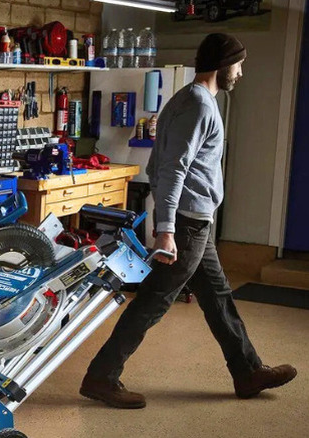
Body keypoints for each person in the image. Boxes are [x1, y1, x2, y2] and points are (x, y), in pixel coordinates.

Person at [79, 33, 297, 409]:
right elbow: (174, 169)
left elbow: (158, 165)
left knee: (217, 296)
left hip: (196, 222)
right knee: (155, 300)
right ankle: (102, 376)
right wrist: (165, 231)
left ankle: (247, 371)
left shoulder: (186, 99)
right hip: (187, 224)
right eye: (239, 65)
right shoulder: (199, 106)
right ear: (223, 64)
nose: (241, 73)